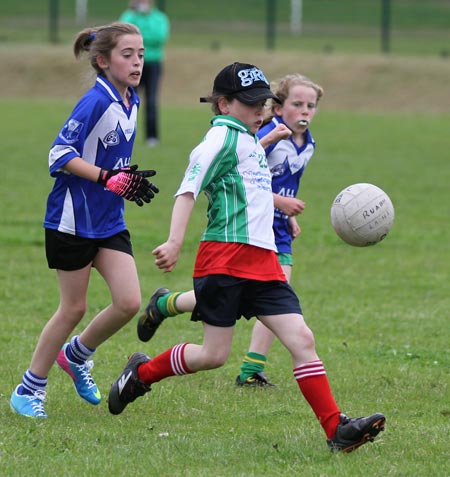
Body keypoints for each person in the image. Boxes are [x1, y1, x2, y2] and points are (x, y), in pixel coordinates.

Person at [108, 62, 385, 453]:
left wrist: (279, 200)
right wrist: (173, 242)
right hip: (224, 259)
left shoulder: (249, 140)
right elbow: (188, 190)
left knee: (302, 338)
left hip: (265, 260)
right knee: (213, 355)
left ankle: (335, 429)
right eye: (252, 103)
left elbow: (251, 179)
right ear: (223, 103)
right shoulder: (216, 141)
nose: (262, 110)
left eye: (265, 103)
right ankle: (142, 373)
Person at [9, 22, 159, 419]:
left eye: (141, 55)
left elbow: (109, 159)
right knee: (72, 308)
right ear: (102, 61)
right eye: (128, 55)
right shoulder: (95, 102)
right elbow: (58, 156)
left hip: (109, 219)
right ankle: (29, 388)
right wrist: (108, 177)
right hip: (72, 220)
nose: (137, 62)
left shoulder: (132, 100)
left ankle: (76, 355)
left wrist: (122, 177)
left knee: (128, 302)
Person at [136, 73, 323, 387]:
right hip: (239, 228)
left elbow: (269, 180)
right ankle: (250, 368)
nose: (305, 111)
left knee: (268, 303)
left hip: (272, 226)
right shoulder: (257, 134)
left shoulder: (308, 143)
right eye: (297, 104)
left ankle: (169, 305)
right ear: (279, 107)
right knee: (252, 305)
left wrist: (285, 212)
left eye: (311, 106)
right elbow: (244, 167)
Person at [120, 0, 170, 146]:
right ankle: (124, 134)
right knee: (127, 100)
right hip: (130, 64)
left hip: (153, 63)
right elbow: (122, 36)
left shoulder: (159, 18)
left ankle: (151, 137)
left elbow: (159, 37)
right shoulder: (129, 16)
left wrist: (138, 37)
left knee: (151, 101)